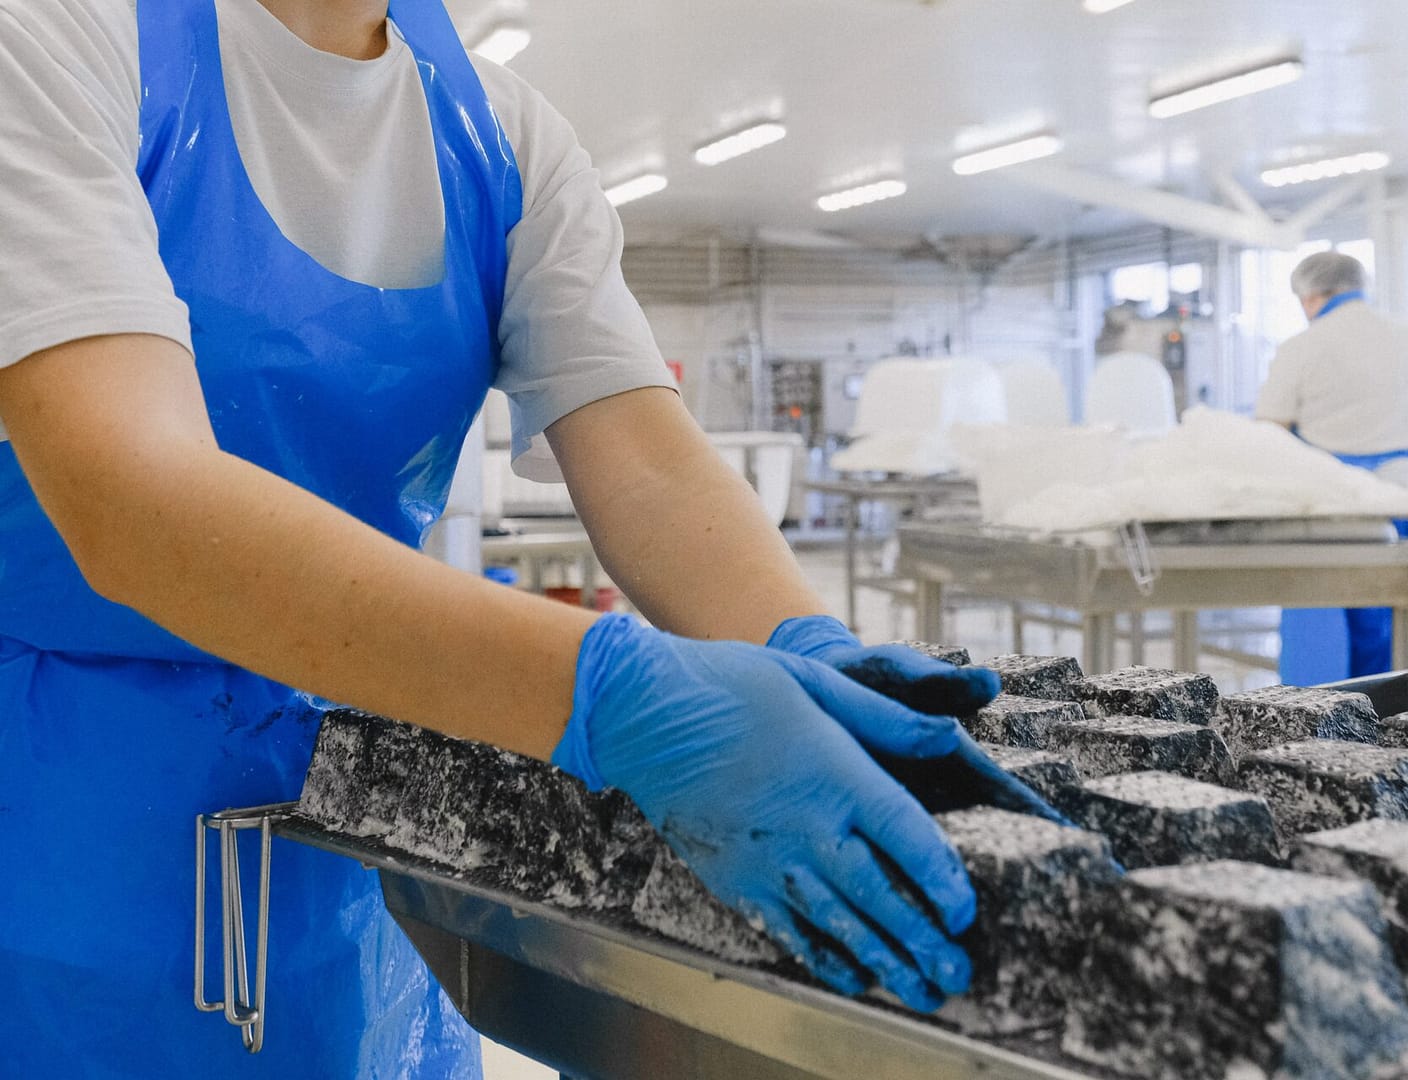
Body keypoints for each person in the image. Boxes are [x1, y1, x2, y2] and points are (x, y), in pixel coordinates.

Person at [0, 1, 1019, 1075]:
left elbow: (645, 460)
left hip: (347, 804)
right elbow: (134, 502)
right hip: (58, 833)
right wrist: (613, 693)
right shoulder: (59, 37)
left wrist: (800, 643)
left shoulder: (499, 134)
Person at [1254, 251, 1408, 683]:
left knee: (1333, 633)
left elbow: (1271, 432)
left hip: (1336, 504)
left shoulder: (1303, 346)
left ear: (1310, 296)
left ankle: (1326, 715)